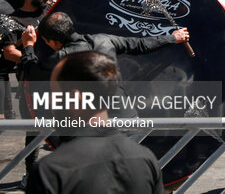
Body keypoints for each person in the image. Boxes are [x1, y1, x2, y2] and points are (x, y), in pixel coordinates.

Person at [25, 50, 164, 194]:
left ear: (75, 98)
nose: (49, 101)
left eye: (53, 93)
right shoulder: (146, 159)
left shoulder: (50, 171)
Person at [19, 12, 190, 77]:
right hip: (125, 116)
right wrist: (172, 37)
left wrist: (28, 46)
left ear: (55, 42)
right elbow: (140, 44)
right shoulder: (104, 39)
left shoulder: (61, 57)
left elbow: (31, 72)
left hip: (93, 123)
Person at [1, 0, 51, 188]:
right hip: (31, 85)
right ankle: (31, 177)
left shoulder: (50, 13)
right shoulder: (13, 19)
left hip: (58, 83)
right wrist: (32, 56)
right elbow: (9, 52)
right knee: (35, 132)